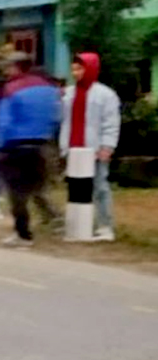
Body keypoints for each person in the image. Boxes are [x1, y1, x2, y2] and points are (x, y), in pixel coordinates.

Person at [0, 52, 62, 247]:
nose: (6, 70)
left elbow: (5, 122)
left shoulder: (11, 89)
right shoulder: (48, 88)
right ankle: (55, 218)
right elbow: (57, 117)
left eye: (7, 66)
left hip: (15, 145)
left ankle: (23, 233)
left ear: (16, 67)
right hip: (42, 143)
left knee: (16, 192)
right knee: (39, 186)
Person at [59, 53, 121, 241]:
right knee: (75, 188)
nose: (75, 73)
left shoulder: (105, 94)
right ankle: (78, 225)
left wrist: (107, 146)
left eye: (80, 69)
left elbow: (111, 122)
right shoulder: (68, 94)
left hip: (94, 149)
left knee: (100, 186)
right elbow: (63, 120)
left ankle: (105, 225)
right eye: (74, 69)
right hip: (73, 148)